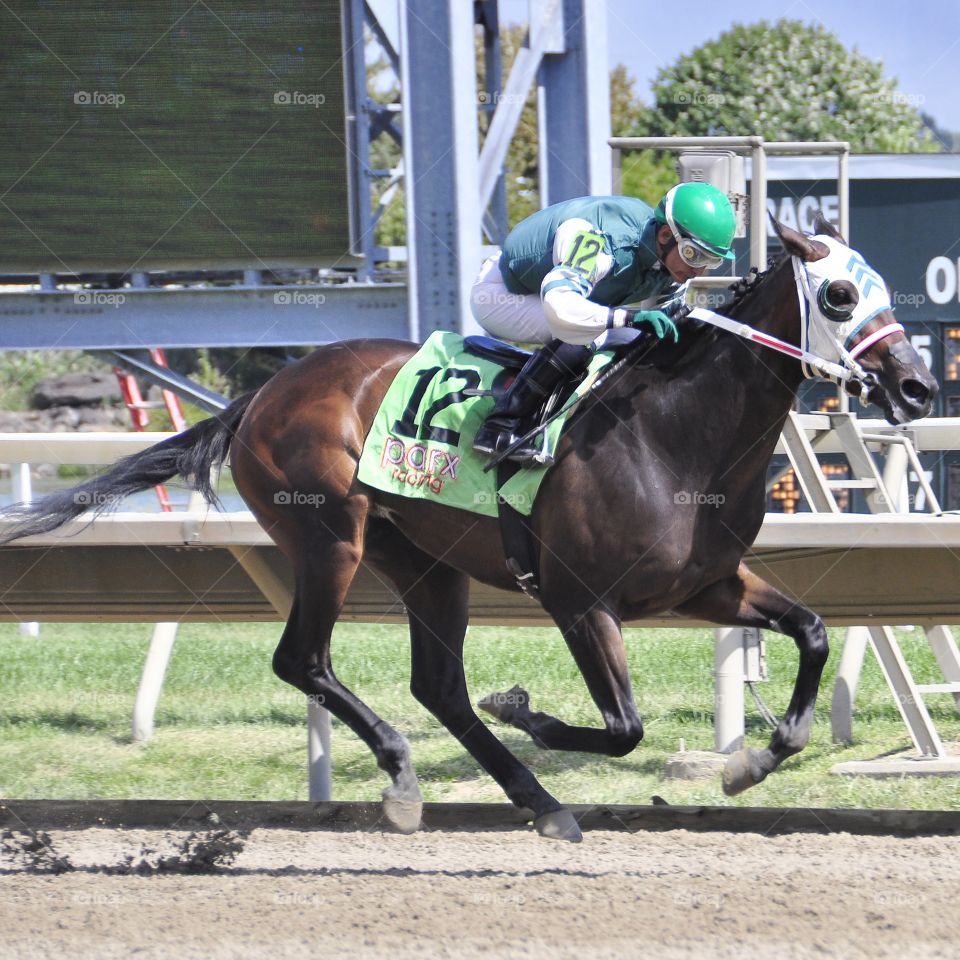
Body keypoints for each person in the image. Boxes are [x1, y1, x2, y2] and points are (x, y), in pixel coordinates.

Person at [470, 182, 737, 461]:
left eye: (711, 261)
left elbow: (667, 330)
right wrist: (626, 317)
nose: (698, 270)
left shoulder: (670, 262)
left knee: (632, 340)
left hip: (553, 296)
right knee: (592, 334)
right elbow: (562, 309)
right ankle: (499, 425)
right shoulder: (601, 242)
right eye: (693, 255)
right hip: (501, 295)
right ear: (665, 235)